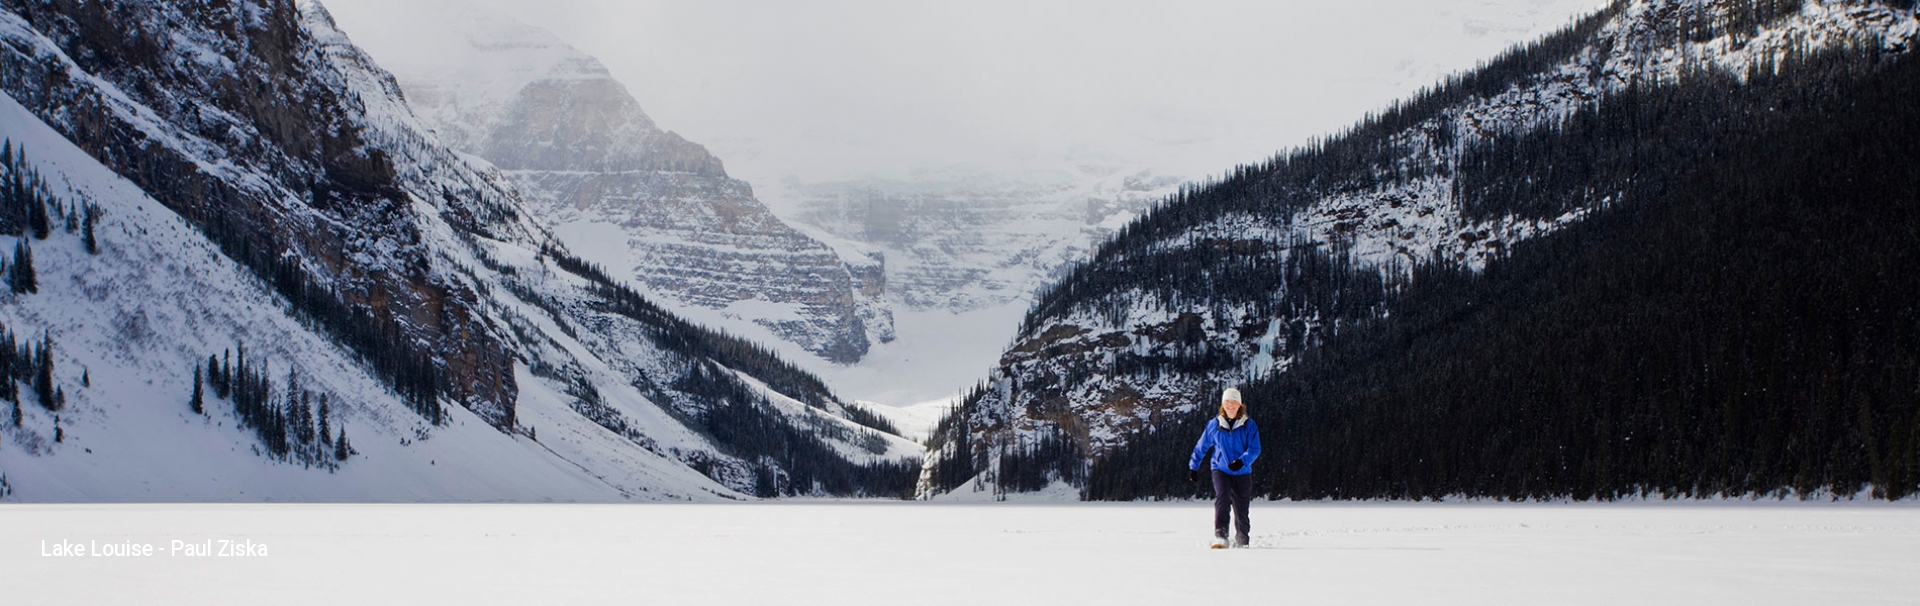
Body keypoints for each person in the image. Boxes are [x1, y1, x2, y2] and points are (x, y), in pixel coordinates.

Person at [1188, 387, 1261, 548]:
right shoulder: (1214, 425)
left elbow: (1255, 449)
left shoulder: (1249, 425)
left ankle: (1243, 538)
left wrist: (1242, 461)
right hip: (1220, 469)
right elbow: (1202, 446)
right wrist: (1194, 466)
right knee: (1223, 497)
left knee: (1241, 506)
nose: (1230, 405)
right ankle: (1221, 535)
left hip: (1242, 471)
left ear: (1240, 405)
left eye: (1234, 402)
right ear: (1223, 404)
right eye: (1227, 402)